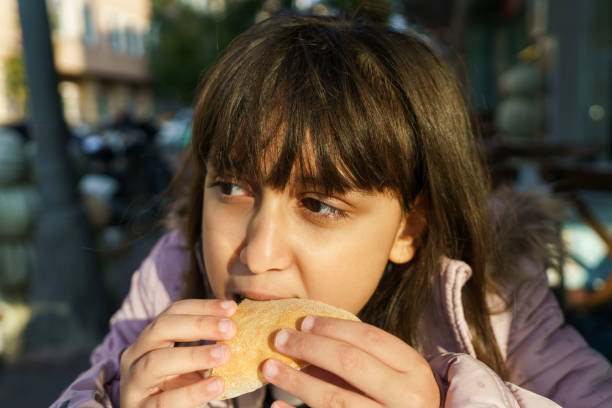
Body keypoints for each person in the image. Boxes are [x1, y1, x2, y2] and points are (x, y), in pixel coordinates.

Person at [51, 14, 612, 408]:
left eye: (319, 204)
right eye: (231, 187)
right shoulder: (169, 282)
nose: (258, 253)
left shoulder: (495, 308)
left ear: (408, 228)